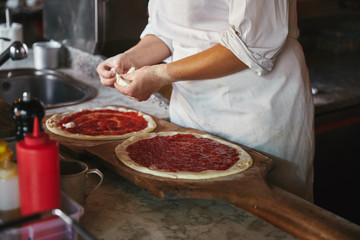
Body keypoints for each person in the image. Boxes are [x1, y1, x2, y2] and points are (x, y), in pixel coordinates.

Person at [97, 0, 315, 201]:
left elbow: (252, 43)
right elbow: (170, 31)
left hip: (255, 112)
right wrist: (128, 59)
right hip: (191, 114)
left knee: (261, 219)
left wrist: (160, 75)